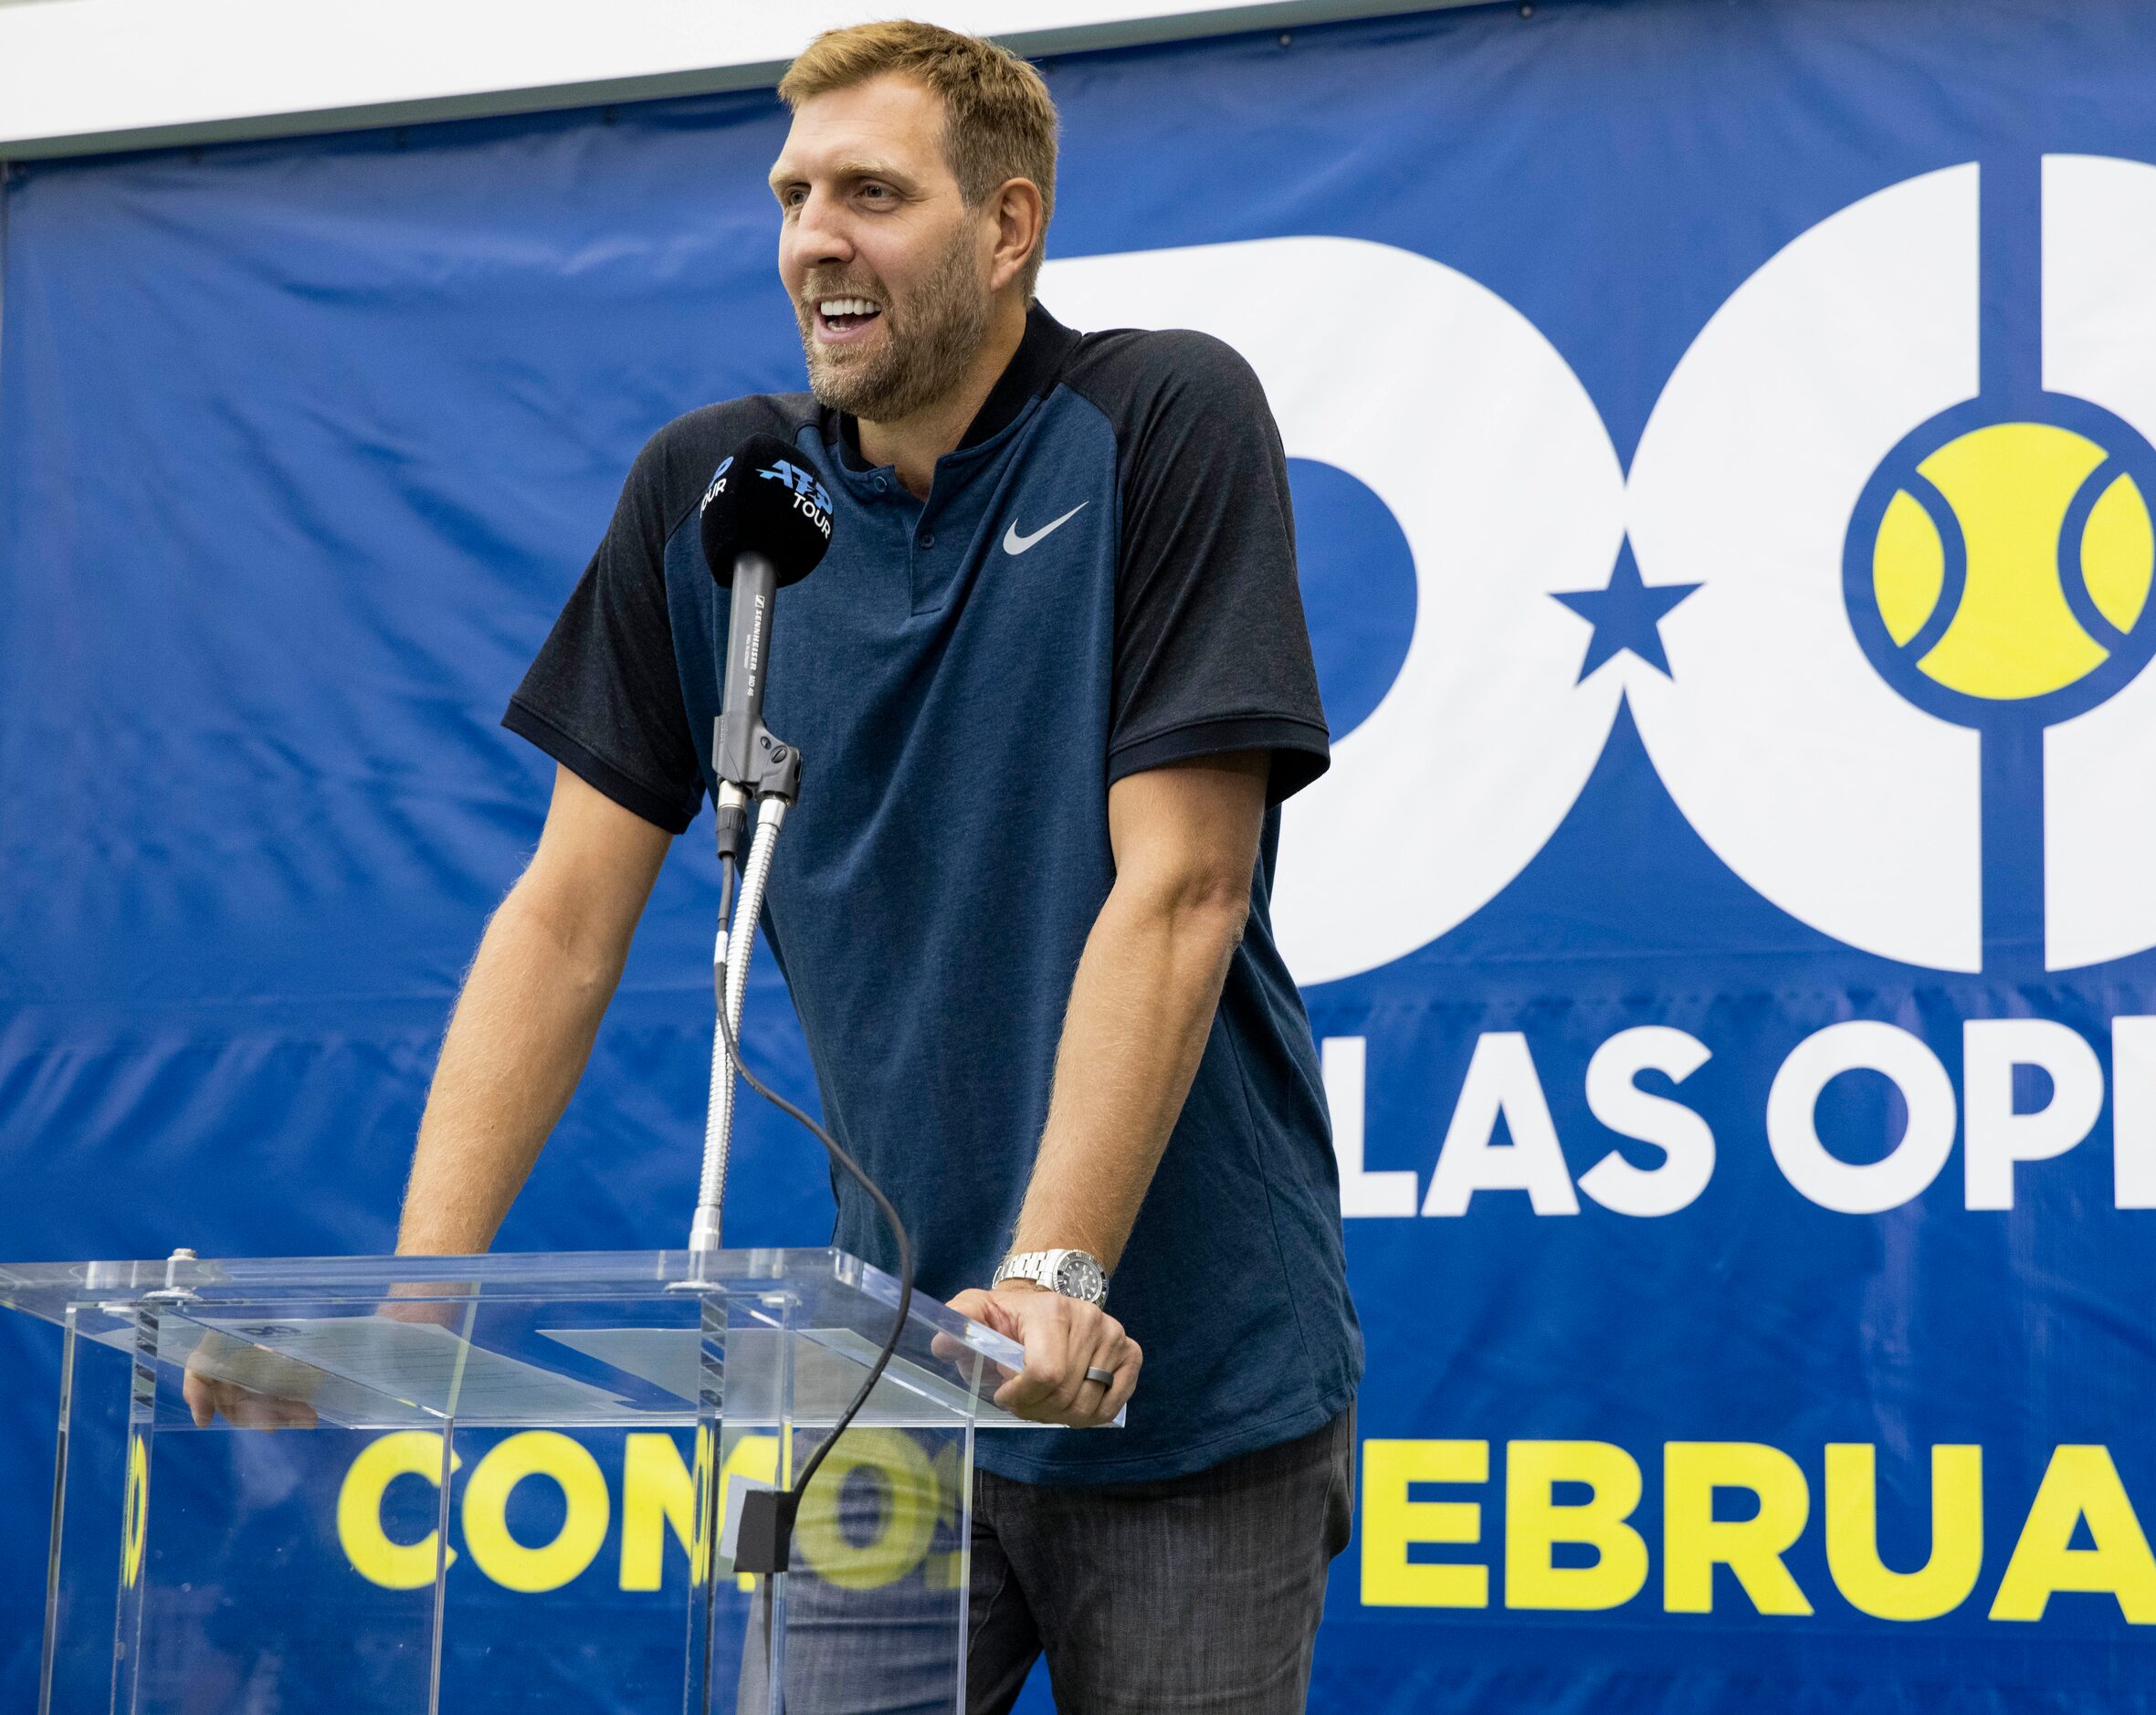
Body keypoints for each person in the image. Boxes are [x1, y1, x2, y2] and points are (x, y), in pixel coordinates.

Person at [195, 18, 1362, 1712]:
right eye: (795, 194)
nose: (817, 234)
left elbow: (1182, 887)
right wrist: (419, 1301)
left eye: (875, 194)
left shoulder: (1160, 418)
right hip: (879, 1378)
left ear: (1008, 229)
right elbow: (565, 918)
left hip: (1177, 1373)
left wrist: (1049, 1278)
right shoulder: (720, 496)